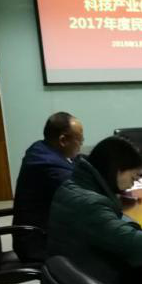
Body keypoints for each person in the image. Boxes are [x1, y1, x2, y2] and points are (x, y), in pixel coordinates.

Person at [46, 136, 142, 284]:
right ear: (117, 170)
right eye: (133, 176)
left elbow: (110, 229)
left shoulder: (73, 186)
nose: (134, 183)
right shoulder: (91, 205)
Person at [11, 112, 84, 262]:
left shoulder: (41, 148)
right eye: (80, 140)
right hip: (38, 244)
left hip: (40, 232)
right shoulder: (48, 165)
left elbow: (76, 161)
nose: (81, 144)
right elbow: (82, 195)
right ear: (63, 140)